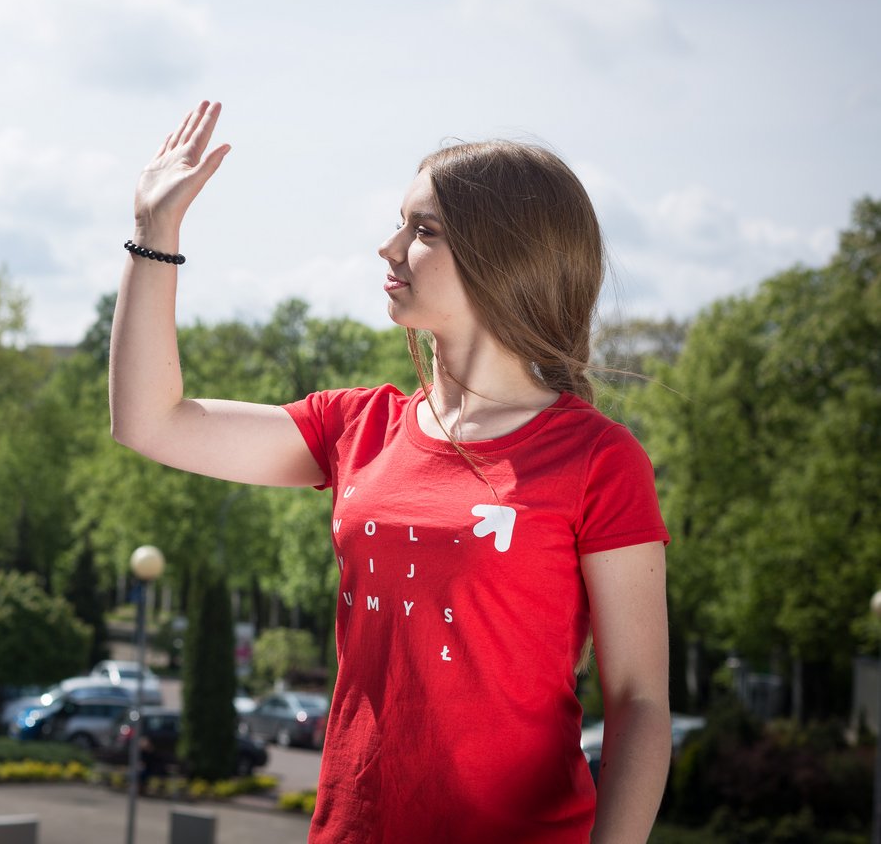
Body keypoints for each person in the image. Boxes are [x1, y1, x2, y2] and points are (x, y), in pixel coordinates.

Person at [108, 102, 671, 843]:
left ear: (504, 256)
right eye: (400, 223)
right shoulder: (356, 427)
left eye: (423, 230)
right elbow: (150, 422)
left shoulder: (598, 460)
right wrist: (155, 234)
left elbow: (638, 704)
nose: (388, 247)